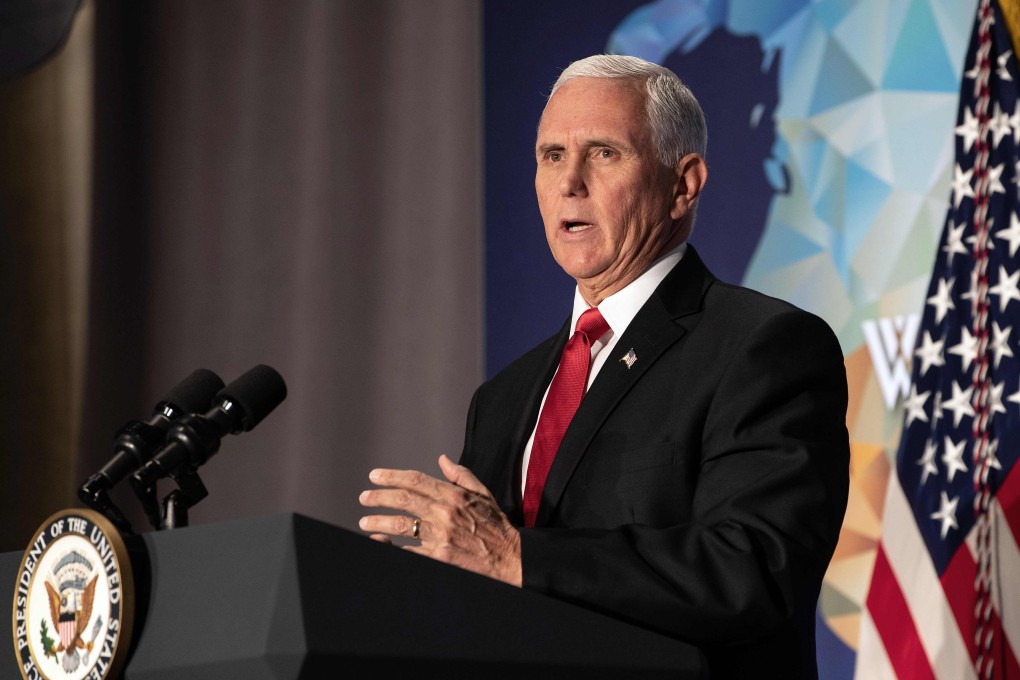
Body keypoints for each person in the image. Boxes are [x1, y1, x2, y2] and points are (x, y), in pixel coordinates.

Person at [358, 54, 850, 678]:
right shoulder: (503, 397)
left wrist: (518, 556)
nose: (570, 182)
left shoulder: (765, 346)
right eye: (552, 156)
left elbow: (752, 572)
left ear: (683, 185)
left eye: (605, 153)